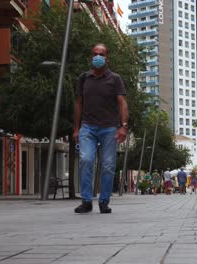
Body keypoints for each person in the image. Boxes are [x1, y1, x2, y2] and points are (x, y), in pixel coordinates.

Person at [73, 44, 129, 214]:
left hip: (109, 129)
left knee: (108, 165)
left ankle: (104, 201)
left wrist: (123, 126)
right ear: (91, 57)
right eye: (95, 54)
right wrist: (76, 129)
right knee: (86, 160)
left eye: (102, 54)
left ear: (107, 58)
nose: (98, 57)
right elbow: (78, 103)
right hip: (87, 128)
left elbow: (122, 103)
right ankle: (86, 201)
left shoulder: (115, 79)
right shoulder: (84, 78)